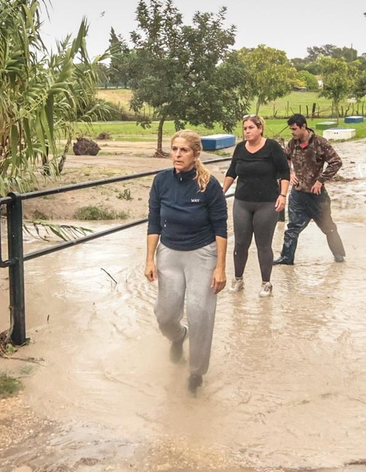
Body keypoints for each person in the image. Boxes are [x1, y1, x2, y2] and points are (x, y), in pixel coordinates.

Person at [145, 129, 228, 394]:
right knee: (165, 314)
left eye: (184, 150)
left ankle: (196, 373)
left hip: (202, 254)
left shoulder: (209, 185)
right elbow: (154, 221)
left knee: (200, 313)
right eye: (174, 149)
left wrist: (221, 267)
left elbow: (221, 228)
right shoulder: (161, 181)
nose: (178, 155)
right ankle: (179, 337)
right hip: (169, 253)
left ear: (195, 154)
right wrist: (149, 259)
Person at [220, 115, 289, 297]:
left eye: (251, 128)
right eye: (245, 128)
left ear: (260, 128)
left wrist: (283, 195)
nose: (247, 131)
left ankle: (266, 283)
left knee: (263, 245)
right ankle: (238, 279)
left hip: (267, 202)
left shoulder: (272, 147)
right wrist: (222, 191)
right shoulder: (240, 148)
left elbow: (284, 172)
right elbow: (232, 171)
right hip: (242, 201)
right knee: (240, 243)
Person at [274, 114, 345, 266]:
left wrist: (321, 180)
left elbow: (336, 162)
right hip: (298, 194)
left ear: (303, 127)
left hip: (317, 196)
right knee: (292, 228)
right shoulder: (292, 144)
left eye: (294, 129)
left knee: (328, 227)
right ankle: (287, 258)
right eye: (291, 129)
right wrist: (290, 172)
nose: (292, 132)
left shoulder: (320, 143)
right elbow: (284, 159)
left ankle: (339, 255)